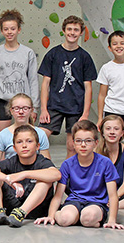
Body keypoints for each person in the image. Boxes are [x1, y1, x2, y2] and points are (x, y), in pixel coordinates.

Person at [35, 120, 124, 230]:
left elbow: (113, 195)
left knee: (88, 218)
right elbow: (58, 195)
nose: (83, 145)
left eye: (88, 141)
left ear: (96, 143)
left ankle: (83, 217)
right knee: (65, 219)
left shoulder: (105, 163)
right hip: (75, 201)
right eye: (78, 141)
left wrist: (112, 220)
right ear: (73, 143)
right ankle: (72, 215)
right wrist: (50, 216)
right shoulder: (67, 164)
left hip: (96, 203)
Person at [38, 15, 96, 159]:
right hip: (54, 105)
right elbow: (45, 84)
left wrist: (85, 114)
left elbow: (88, 87)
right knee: (39, 138)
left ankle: (67, 177)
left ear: (81, 32)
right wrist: (44, 109)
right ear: (64, 31)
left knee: (72, 146)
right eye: (69, 29)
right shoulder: (53, 54)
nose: (72, 32)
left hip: (76, 107)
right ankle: (46, 170)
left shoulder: (85, 57)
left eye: (76, 30)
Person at [0, 125, 60, 228]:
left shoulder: (42, 162)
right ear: (14, 148)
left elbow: (56, 174)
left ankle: (21, 212)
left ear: (37, 146)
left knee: (45, 181)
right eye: (19, 142)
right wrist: (8, 179)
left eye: (29, 141)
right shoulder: (12, 161)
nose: (24, 145)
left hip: (36, 209)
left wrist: (24, 174)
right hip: (12, 206)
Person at [0, 9, 40, 133]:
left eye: (12, 29)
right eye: (6, 29)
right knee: (3, 137)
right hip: (4, 101)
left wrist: (35, 107)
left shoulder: (28, 53)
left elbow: (33, 80)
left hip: (24, 101)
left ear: (19, 30)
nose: (9, 32)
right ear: (2, 31)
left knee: (26, 137)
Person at [0, 94, 51, 163]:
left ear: (31, 110)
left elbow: (47, 164)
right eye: (16, 108)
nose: (21, 112)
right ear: (11, 111)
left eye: (25, 108)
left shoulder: (40, 134)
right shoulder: (3, 135)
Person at [96, 115, 124, 207]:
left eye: (116, 129)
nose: (112, 132)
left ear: (122, 133)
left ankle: (114, 205)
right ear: (102, 132)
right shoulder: (94, 150)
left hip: (120, 193)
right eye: (108, 129)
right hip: (100, 192)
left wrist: (114, 197)